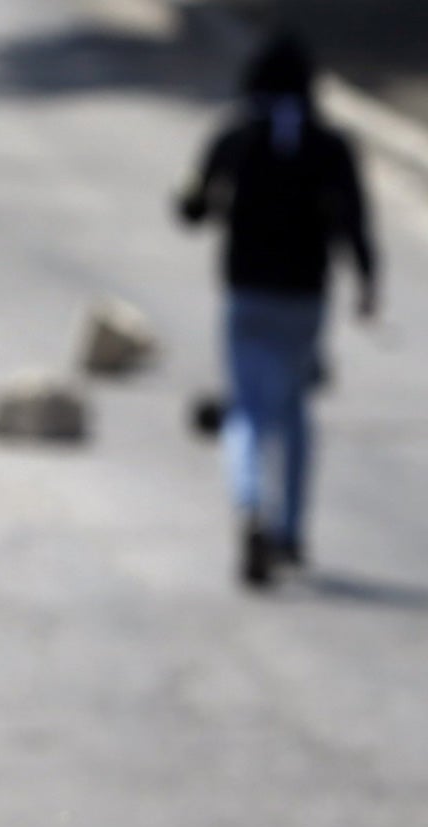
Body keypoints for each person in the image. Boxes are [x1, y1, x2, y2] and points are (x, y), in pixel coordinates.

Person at [177, 30, 379, 589]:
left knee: (246, 411)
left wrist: (206, 201)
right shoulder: (329, 143)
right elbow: (354, 220)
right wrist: (367, 280)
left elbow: (191, 206)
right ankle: (290, 530)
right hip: (306, 301)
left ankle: (249, 507)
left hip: (247, 296)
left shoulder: (236, 136)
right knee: (293, 415)